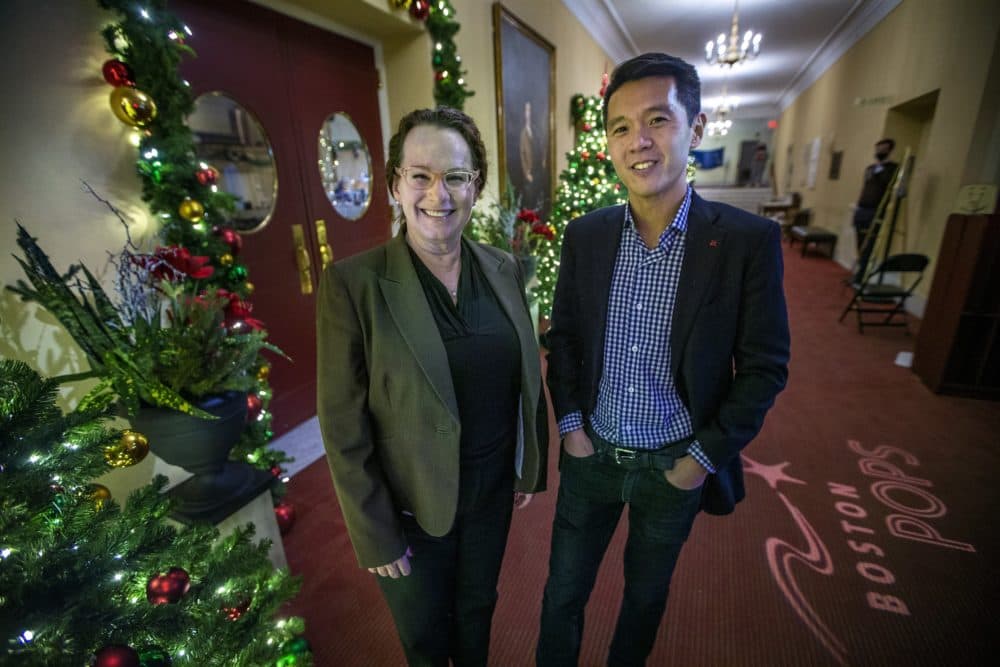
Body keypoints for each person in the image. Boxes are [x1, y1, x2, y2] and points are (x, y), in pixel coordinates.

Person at [536, 52, 790, 666]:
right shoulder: (586, 236)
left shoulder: (745, 243)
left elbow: (765, 366)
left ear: (696, 129)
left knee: (644, 599)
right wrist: (570, 428)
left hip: (674, 464)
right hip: (591, 455)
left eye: (658, 119)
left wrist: (698, 461)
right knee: (562, 594)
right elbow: (564, 338)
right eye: (620, 127)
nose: (638, 141)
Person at [316, 107, 548, 667]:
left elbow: (523, 374)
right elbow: (342, 422)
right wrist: (375, 532)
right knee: (424, 637)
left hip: (491, 494)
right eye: (420, 175)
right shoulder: (353, 284)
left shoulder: (503, 268)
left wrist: (526, 463)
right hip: (410, 510)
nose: (437, 195)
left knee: (477, 613)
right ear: (395, 184)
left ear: (476, 186)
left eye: (457, 177)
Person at [852, 138, 898, 280]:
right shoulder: (870, 169)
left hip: (875, 211)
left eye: (883, 149)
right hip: (862, 210)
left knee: (869, 245)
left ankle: (862, 275)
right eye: (878, 149)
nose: (879, 151)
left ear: (889, 150)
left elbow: (886, 183)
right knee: (860, 243)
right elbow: (866, 187)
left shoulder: (892, 169)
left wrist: (881, 169)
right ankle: (860, 269)